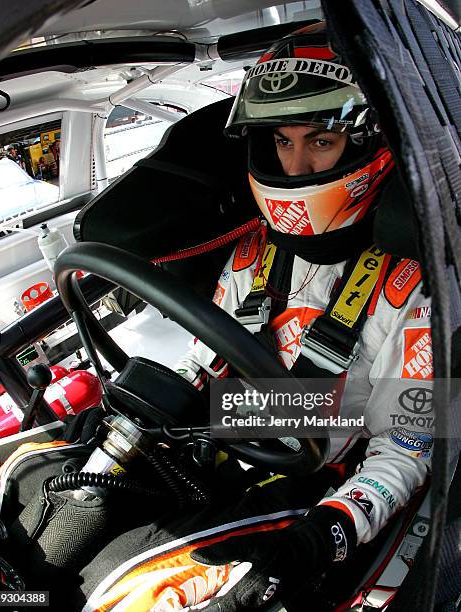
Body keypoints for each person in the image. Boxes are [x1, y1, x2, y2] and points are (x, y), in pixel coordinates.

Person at [79, 22, 433, 610]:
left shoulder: (408, 287)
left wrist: (328, 534)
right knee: (35, 493)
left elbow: (408, 446)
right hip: (215, 448)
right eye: (281, 142)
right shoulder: (253, 252)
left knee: (126, 593)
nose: (294, 167)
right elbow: (205, 365)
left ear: (368, 145)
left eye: (321, 141)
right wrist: (142, 417)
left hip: (318, 480)